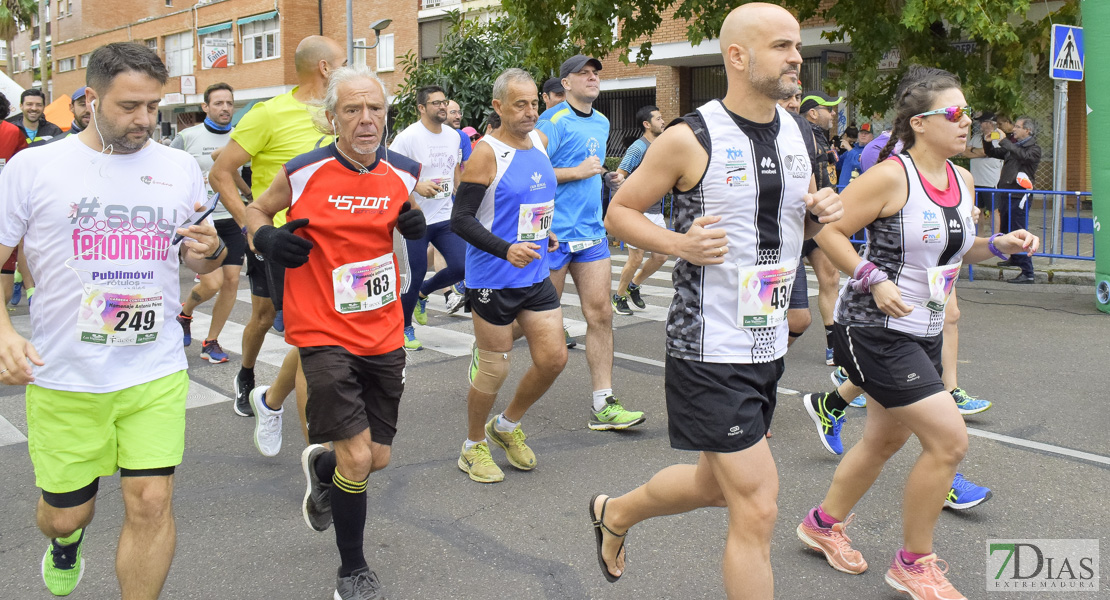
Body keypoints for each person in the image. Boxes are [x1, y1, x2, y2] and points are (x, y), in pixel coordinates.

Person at [595, 5, 842, 597]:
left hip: (767, 335)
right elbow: (620, 212)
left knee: (714, 484)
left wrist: (823, 214)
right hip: (706, 346)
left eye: (796, 46)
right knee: (757, 505)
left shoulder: (800, 133)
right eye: (781, 46)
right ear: (738, 56)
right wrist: (680, 243)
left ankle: (616, 513)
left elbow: (800, 227)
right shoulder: (690, 136)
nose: (795, 56)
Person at [795, 66, 1039, 600]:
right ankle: (913, 562)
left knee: (883, 439)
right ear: (919, 123)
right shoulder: (890, 176)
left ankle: (821, 524)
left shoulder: (962, 179)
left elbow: (956, 252)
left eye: (967, 112)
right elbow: (829, 231)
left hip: (923, 327)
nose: (966, 122)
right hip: (875, 327)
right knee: (949, 442)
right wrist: (872, 278)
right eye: (954, 113)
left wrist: (1001, 246)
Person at [0, 41, 223, 598]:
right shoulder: (34, 167)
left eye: (154, 106)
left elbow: (197, 258)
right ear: (91, 100)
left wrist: (210, 250)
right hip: (65, 376)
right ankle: (65, 541)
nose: (145, 120)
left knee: (151, 502)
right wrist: (2, 331)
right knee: (66, 516)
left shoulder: (177, 167)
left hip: (154, 369)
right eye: (130, 107)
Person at [246, 65, 426, 600]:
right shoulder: (304, 172)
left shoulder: (403, 172)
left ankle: (320, 464)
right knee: (358, 458)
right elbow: (256, 209)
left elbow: (405, 212)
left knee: (378, 457)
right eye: (352, 109)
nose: (365, 119)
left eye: (374, 109)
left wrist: (410, 224)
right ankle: (353, 570)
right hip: (321, 327)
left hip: (383, 325)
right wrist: (267, 240)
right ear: (332, 118)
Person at [209, 36, 343, 422]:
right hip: (281, 240)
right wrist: (249, 225)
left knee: (317, 331)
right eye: (343, 61)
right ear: (324, 68)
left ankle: (284, 402)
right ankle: (248, 376)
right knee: (266, 317)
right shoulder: (269, 113)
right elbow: (220, 170)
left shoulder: (341, 113)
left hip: (330, 241)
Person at [450, 68, 567, 483]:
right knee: (496, 368)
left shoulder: (539, 141)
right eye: (520, 104)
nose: (530, 111)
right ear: (498, 107)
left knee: (554, 359)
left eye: (534, 103)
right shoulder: (486, 152)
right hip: (493, 277)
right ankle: (472, 445)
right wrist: (506, 248)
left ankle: (506, 426)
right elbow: (460, 220)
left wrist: (542, 230)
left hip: (534, 272)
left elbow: (528, 200)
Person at [537, 54, 645, 430]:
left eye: (595, 73)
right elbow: (532, 173)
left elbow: (589, 169)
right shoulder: (549, 121)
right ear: (565, 83)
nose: (592, 78)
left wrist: (606, 179)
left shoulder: (601, 121)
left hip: (590, 232)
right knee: (537, 319)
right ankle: (486, 344)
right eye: (583, 74)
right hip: (552, 236)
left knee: (600, 314)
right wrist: (575, 172)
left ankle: (604, 402)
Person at [172, 83, 253, 364]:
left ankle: (211, 341)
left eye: (229, 103)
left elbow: (243, 177)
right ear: (205, 107)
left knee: (231, 282)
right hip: (200, 221)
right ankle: (185, 313)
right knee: (212, 283)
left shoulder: (242, 138)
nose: (225, 108)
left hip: (231, 218)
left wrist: (249, 199)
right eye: (218, 103)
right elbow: (169, 175)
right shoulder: (186, 137)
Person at [392, 86, 470, 350]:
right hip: (415, 218)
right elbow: (390, 175)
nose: (442, 107)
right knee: (414, 273)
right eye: (435, 103)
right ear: (421, 108)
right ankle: (405, 327)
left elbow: (454, 173)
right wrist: (416, 187)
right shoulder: (407, 138)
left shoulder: (453, 136)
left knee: (462, 266)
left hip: (445, 215)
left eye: (444, 102)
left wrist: (464, 198)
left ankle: (424, 293)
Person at [798, 90, 845, 367]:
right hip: (796, 218)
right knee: (781, 291)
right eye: (829, 109)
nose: (834, 113)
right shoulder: (799, 135)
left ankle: (833, 345)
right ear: (813, 113)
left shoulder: (824, 139)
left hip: (821, 219)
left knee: (830, 277)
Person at [611, 105, 669, 315]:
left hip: (655, 210)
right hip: (637, 211)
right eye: (658, 118)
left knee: (662, 256)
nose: (663, 121)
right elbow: (619, 175)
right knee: (636, 257)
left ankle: (633, 285)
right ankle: (618, 297)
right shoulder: (638, 147)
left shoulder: (663, 145)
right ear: (647, 124)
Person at [984, 115, 1041, 283]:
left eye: (1017, 127)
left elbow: (1023, 156)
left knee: (1020, 230)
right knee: (1009, 229)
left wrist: (1004, 141)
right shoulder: (1013, 146)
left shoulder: (1033, 149)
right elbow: (992, 152)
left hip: (1019, 195)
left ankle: (1028, 272)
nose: (1013, 129)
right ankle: (1015, 258)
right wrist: (987, 141)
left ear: (1027, 130)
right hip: (1006, 193)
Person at [0, 91, 29, 306]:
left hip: (6, 214)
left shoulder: (11, 133)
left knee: (5, 291)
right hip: (7, 215)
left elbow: (24, 172)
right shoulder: (12, 131)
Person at [960, 112, 1003, 224]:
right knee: (978, 210)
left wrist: (974, 150)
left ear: (989, 123)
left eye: (982, 122)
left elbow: (987, 152)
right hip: (976, 180)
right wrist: (978, 152)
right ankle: (980, 235)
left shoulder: (997, 135)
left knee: (994, 210)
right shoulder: (977, 137)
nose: (980, 124)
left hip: (990, 182)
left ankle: (996, 237)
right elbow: (965, 152)